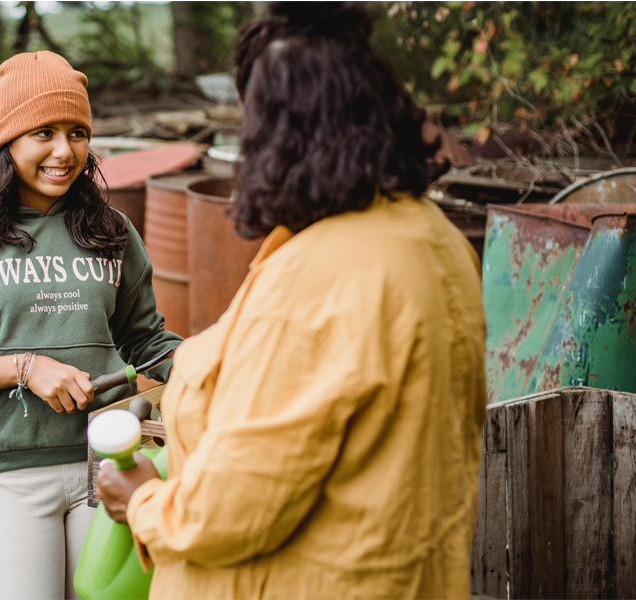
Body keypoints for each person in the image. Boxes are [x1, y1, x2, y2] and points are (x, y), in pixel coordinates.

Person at [97, 3, 487, 599]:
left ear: (281, 137)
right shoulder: (438, 239)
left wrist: (145, 503)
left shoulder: (321, 278)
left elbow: (240, 504)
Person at [0, 51, 182, 600]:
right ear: (8, 141)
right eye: (42, 132)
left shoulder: (111, 231)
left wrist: (213, 361)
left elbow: (145, 340)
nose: (63, 151)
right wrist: (23, 368)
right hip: (16, 476)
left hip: (108, 465)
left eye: (77, 132)